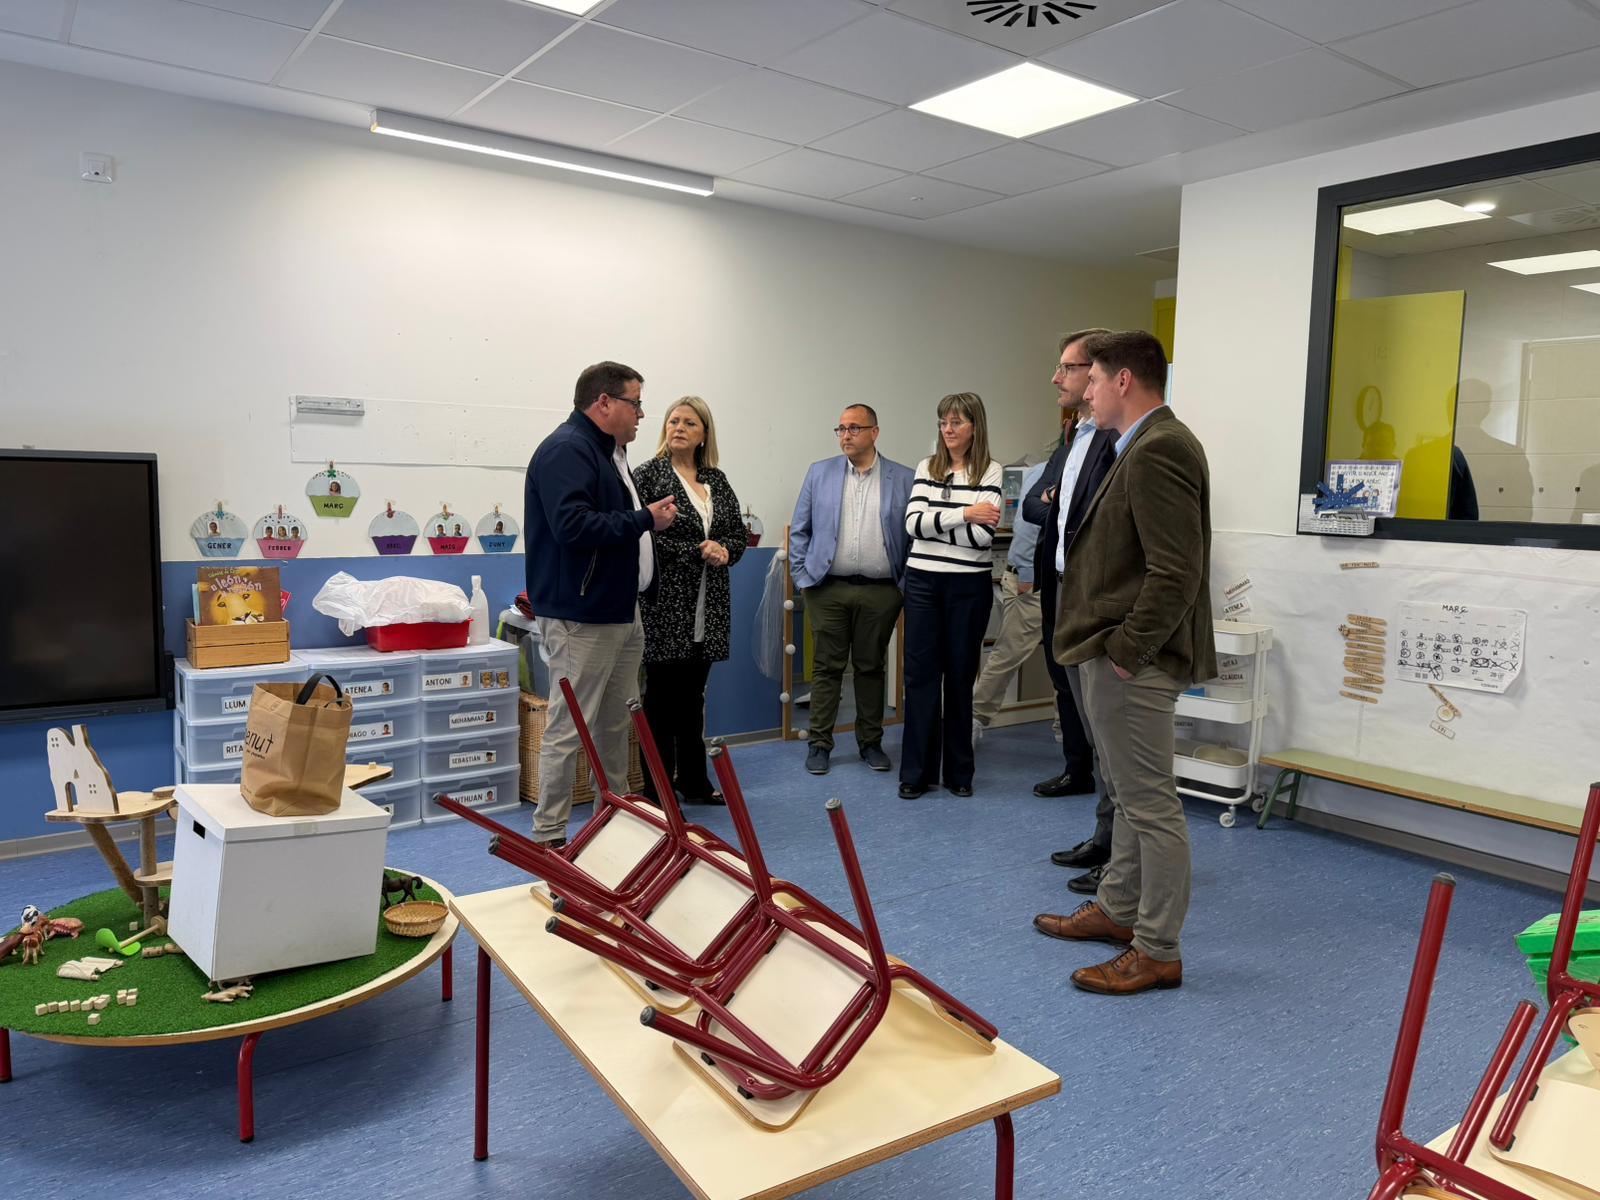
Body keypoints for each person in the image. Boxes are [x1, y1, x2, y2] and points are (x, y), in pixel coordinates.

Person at [1033, 330, 1214, 996]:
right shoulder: (1133, 443)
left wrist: (1127, 652)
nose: (1083, 388)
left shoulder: (1160, 447)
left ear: (1124, 382)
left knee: (1151, 805)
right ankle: (1117, 910)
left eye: (1094, 378)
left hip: (1132, 658)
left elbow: (1177, 569)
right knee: (1131, 797)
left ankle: (1157, 948)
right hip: (1108, 647)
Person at [524, 361, 678, 847]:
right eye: (635, 403)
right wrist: (644, 520)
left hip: (619, 610)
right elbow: (573, 527)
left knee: (616, 724)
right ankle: (549, 836)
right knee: (570, 729)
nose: (641, 415)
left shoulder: (609, 451)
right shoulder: (566, 451)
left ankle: (615, 819)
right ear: (604, 402)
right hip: (581, 616)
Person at [1027, 330, 1121, 894]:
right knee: (1087, 717)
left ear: (1098, 374)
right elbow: (1042, 503)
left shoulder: (1119, 440)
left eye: (1067, 367)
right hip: (1061, 585)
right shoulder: (1077, 434)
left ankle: (1118, 853)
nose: (1056, 378)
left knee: (1110, 731)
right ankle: (1105, 837)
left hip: (1095, 597)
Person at [789, 405, 914, 777]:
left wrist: (902, 586)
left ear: (875, 432)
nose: (845, 435)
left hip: (881, 591)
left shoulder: (903, 478)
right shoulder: (820, 473)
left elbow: (912, 536)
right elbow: (801, 529)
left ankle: (870, 743)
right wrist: (802, 577)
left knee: (871, 667)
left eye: (854, 428)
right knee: (826, 668)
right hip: (827, 589)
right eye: (841, 428)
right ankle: (819, 744)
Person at [634, 396, 747, 806]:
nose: (679, 427)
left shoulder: (716, 479)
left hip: (709, 605)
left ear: (704, 435)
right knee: (661, 701)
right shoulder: (647, 475)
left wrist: (726, 550)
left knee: (693, 699)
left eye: (689, 423)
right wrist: (699, 550)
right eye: (673, 421)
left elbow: (735, 532)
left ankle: (694, 783)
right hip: (666, 606)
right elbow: (645, 537)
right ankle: (657, 791)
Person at [898, 392, 1003, 800]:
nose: (948, 430)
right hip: (923, 582)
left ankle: (959, 772)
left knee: (960, 677)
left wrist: (941, 520)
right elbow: (912, 524)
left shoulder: (990, 471)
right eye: (943, 422)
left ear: (975, 426)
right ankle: (916, 773)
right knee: (920, 678)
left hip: (968, 587)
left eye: (957, 422)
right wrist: (965, 513)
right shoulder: (928, 467)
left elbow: (982, 538)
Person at [970, 460, 1048, 737]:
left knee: (1070, 666)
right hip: (1032, 582)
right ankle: (975, 720)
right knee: (1007, 655)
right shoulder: (1047, 471)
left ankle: (1071, 737)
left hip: (1068, 583)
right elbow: (1027, 525)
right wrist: (1028, 575)